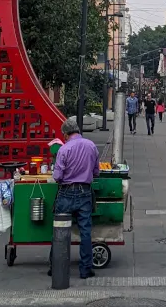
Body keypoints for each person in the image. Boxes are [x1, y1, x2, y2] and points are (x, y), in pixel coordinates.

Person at [50, 119, 100, 279]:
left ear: (65, 134)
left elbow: (57, 177)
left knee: (60, 229)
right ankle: (86, 269)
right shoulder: (91, 146)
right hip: (85, 192)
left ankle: (56, 266)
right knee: (85, 231)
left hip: (66, 192)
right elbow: (96, 171)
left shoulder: (64, 149)